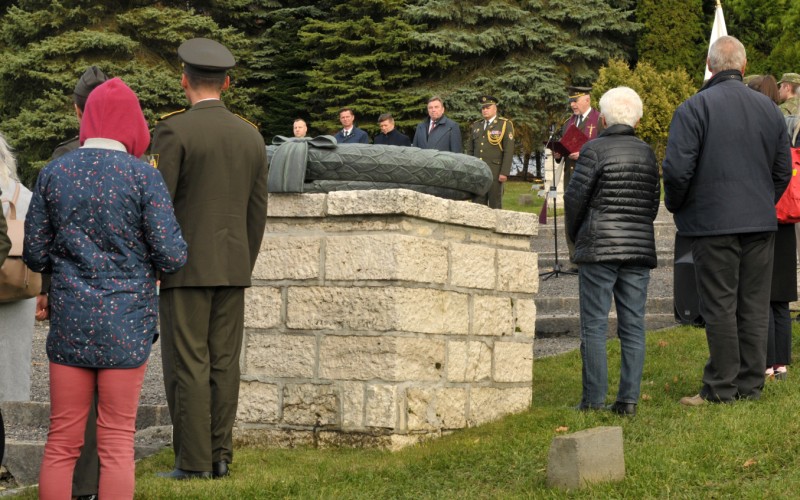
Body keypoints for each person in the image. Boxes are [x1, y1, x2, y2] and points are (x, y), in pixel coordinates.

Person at [24, 77, 187, 499]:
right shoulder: (142, 178)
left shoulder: (53, 172)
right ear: (133, 123)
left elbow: (35, 254)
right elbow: (171, 255)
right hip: (126, 321)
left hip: (70, 319)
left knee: (62, 441)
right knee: (116, 441)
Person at [150, 38, 269, 480]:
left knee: (189, 363)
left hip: (184, 268)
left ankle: (194, 462)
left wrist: (160, 265)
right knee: (223, 362)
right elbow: (257, 213)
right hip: (233, 266)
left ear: (184, 80)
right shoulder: (250, 134)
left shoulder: (173, 131)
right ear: (228, 82)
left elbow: (159, 207)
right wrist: (242, 262)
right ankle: (219, 456)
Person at [663, 36, 791, 406]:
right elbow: (783, 171)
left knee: (719, 305)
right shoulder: (769, 110)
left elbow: (677, 170)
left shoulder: (694, 107)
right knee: (753, 303)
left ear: (709, 64)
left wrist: (680, 206)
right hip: (758, 221)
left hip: (713, 222)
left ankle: (721, 386)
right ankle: (750, 384)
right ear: (744, 67)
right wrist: (761, 202)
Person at [564, 87, 660, 416]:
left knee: (593, 325)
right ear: (637, 117)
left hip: (599, 246)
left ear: (603, 118)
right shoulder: (648, 153)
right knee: (633, 325)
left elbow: (575, 199)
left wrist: (576, 237)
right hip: (636, 246)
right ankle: (628, 400)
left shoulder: (593, 150)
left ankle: (593, 400)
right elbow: (651, 204)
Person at [41, 65, 109, 500]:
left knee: (71, 408)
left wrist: (45, 288)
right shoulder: (137, 161)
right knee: (114, 407)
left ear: (76, 107)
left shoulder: (59, 160)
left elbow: (40, 236)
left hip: (69, 293)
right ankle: (102, 482)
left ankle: (79, 487)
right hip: (123, 298)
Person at [748, 76, 798, 379]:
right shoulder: (788, 122)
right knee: (780, 297)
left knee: (763, 295)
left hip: (765, 218)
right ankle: (781, 362)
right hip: (787, 218)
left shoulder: (760, 126)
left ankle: (766, 361)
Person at [554, 86, 603, 267]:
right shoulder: (569, 122)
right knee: (571, 215)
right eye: (571, 101)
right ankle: (574, 258)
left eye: (576, 101)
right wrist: (559, 154)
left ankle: (591, 257)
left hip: (591, 175)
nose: (573, 105)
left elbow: (604, 148)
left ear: (587, 100)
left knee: (590, 215)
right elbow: (566, 144)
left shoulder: (599, 120)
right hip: (572, 176)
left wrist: (584, 154)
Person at [465, 95, 515, 209]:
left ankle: (496, 227)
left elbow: (508, 150)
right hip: (478, 172)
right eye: (483, 108)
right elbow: (470, 149)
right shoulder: (477, 125)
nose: (485, 110)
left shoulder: (504, 124)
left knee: (495, 205)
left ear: (495, 108)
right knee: (477, 204)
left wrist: (504, 172)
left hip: (495, 171)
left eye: (488, 107)